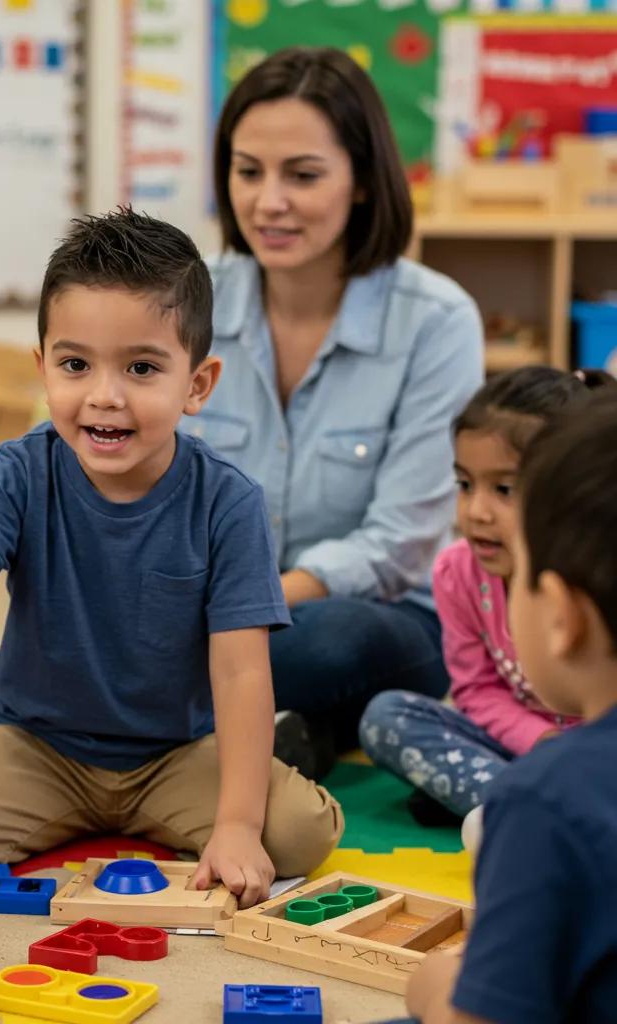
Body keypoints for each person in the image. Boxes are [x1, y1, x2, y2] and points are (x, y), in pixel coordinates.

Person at [0, 208, 343, 905]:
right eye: (74, 364)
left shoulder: (228, 502)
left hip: (176, 755)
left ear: (197, 385)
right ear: (43, 369)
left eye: (142, 367)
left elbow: (242, 671)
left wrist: (240, 824)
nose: (104, 396)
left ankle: (264, 759)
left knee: (302, 833)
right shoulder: (18, 472)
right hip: (37, 747)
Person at [196, 47, 484, 777]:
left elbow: (395, 545)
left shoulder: (436, 320)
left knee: (334, 642)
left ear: (360, 181)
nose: (268, 203)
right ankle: (281, 739)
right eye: (248, 170)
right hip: (202, 618)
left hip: (376, 620)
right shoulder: (186, 302)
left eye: (303, 175)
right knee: (66, 642)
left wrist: (228, 613)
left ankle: (103, 725)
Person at [397, 392, 617, 1024]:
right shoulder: (457, 571)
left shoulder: (546, 801)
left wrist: (435, 986)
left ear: (562, 616)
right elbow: (472, 690)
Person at [360, 368, 614, 841]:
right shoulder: (457, 572)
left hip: (601, 753)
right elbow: (476, 690)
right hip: (520, 746)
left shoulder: (595, 573)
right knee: (388, 717)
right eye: (464, 484)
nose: (476, 511)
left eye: (504, 490)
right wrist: (541, 742)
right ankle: (518, 805)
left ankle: (524, 808)